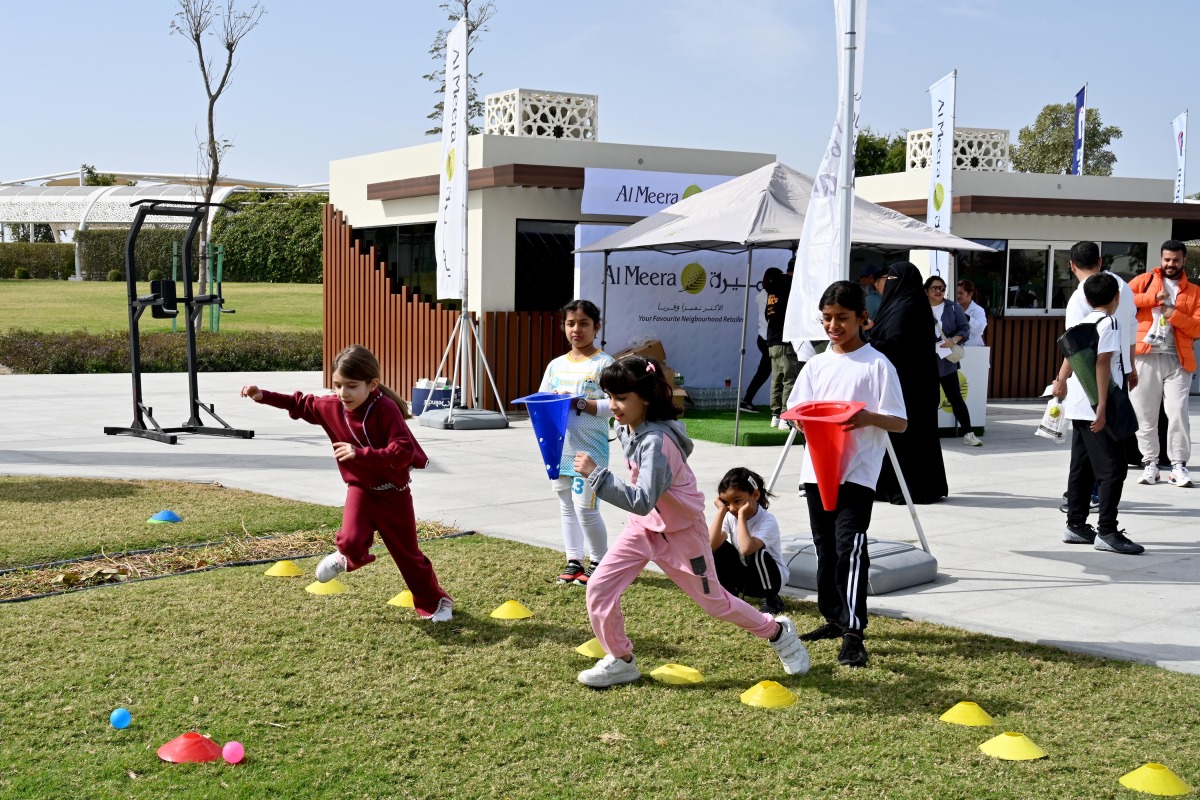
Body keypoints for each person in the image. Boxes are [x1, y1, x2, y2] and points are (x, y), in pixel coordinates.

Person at [572, 355, 809, 687]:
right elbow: (608, 409)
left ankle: (777, 632)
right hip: (643, 530)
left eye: (621, 398)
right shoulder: (628, 422)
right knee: (599, 587)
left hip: (682, 535)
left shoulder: (657, 444)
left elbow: (641, 501)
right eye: (610, 396)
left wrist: (597, 475)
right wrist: (584, 403)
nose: (613, 405)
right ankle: (622, 659)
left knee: (715, 603)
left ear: (645, 398)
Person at [240, 344, 455, 620]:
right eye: (338, 385)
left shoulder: (385, 409)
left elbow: (403, 451)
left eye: (352, 386)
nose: (343, 393)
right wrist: (262, 395)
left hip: (395, 495)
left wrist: (361, 454)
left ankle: (437, 603)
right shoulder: (332, 405)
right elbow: (300, 403)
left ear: (372, 383)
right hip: (361, 491)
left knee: (408, 556)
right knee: (351, 541)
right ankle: (347, 557)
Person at [789, 280, 907, 667]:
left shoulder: (877, 364)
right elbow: (796, 411)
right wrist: (804, 424)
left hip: (857, 473)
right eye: (826, 318)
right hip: (816, 472)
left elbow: (900, 423)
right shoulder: (816, 364)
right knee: (824, 548)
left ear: (863, 319)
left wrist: (867, 417)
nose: (833, 326)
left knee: (850, 548)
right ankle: (833, 618)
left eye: (842, 318)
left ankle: (854, 632)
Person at [1051, 273, 1144, 555]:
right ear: (1117, 297)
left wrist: (1061, 380)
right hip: (1096, 404)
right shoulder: (1110, 322)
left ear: (1088, 299)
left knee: (1082, 466)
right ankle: (1107, 530)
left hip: (1079, 404)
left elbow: (1070, 354)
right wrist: (1102, 405)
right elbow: (1103, 363)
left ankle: (1075, 524)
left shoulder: (1083, 321)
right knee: (1113, 469)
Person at [538, 299, 614, 585]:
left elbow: (616, 404)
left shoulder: (605, 364)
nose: (576, 329)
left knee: (586, 507)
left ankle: (600, 562)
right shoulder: (555, 366)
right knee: (566, 505)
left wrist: (582, 404)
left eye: (583, 323)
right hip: (559, 449)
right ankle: (574, 562)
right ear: (563, 327)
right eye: (570, 323)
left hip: (591, 449)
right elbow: (543, 401)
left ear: (597, 326)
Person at [865, 262, 948, 504]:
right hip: (908, 386)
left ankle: (909, 488)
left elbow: (896, 348)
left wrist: (866, 339)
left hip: (910, 388)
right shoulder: (901, 306)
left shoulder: (907, 307)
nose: (888, 281)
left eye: (893, 277)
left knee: (908, 439)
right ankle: (899, 485)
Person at [1129, 240, 1200, 488]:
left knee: (1178, 413)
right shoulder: (1144, 281)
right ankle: (1150, 464)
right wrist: (1151, 298)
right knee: (1145, 416)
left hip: (1178, 361)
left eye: (1176, 260)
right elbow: (1122, 301)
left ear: (1184, 261)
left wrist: (1173, 314)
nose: (1171, 264)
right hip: (1144, 357)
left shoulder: (1194, 291)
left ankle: (1178, 466)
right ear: (1161, 259)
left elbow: (1198, 327)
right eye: (1167, 259)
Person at [708, 467, 788, 615]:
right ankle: (729, 593)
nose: (732, 508)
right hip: (746, 578)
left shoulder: (767, 520)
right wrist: (721, 511)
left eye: (737, 501)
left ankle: (771, 600)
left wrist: (742, 517)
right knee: (719, 547)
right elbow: (710, 545)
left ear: (755, 495)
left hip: (771, 579)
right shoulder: (729, 514)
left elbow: (746, 549)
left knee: (755, 551)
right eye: (726, 503)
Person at [925, 275, 981, 446]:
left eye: (942, 288)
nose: (939, 291)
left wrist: (954, 340)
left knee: (955, 398)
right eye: (935, 288)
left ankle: (968, 433)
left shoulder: (953, 307)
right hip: (926, 361)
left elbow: (965, 328)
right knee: (929, 400)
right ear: (926, 290)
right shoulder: (918, 307)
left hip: (947, 361)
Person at [763, 265, 800, 428]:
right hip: (785, 341)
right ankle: (786, 416)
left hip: (772, 340)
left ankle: (775, 415)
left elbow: (767, 314)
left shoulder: (772, 290)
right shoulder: (788, 284)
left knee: (776, 379)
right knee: (789, 378)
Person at [739, 277, 772, 413]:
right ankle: (747, 400)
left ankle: (747, 400)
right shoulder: (768, 296)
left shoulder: (762, 295)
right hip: (768, 339)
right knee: (766, 372)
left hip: (764, 338)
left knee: (764, 372)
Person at [956, 279, 988, 346]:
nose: (958, 296)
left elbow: (979, 330)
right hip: (957, 350)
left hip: (974, 349)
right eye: (957, 293)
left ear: (970, 294)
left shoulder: (978, 310)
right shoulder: (953, 309)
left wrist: (967, 318)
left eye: (961, 293)